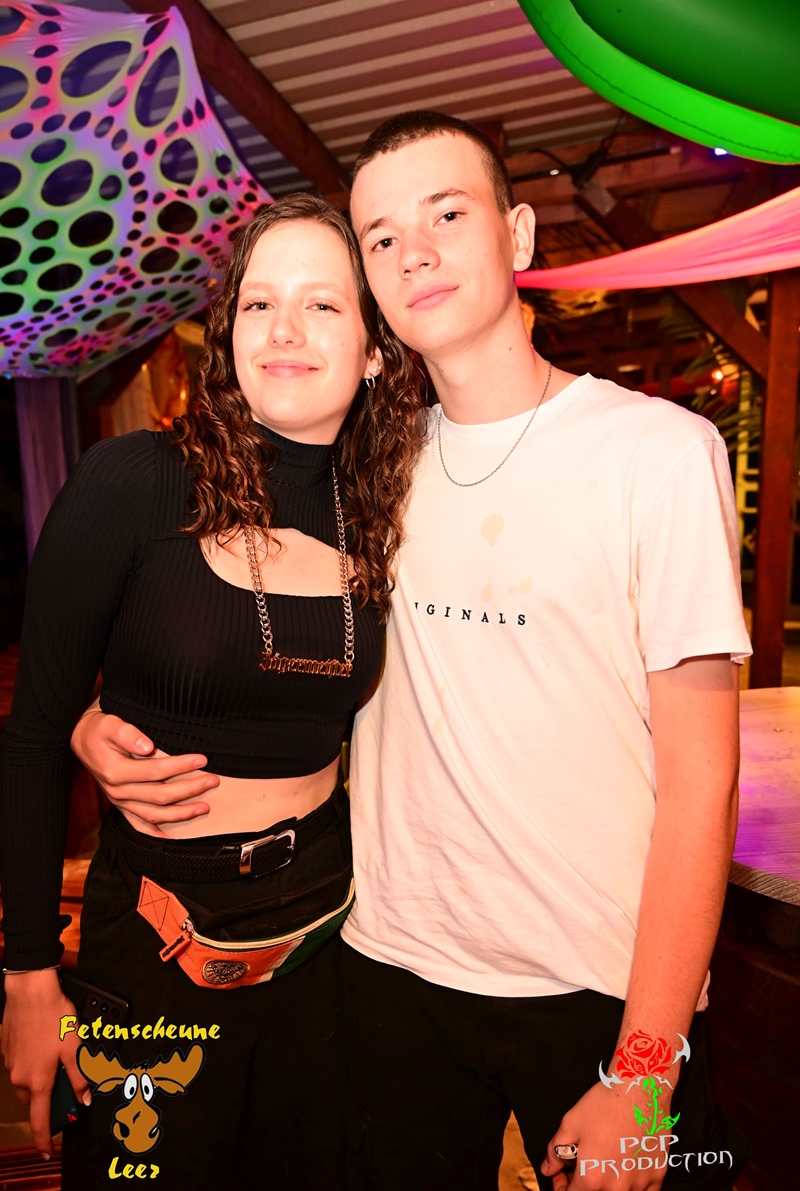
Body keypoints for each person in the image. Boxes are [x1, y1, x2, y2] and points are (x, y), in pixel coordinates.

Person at [69, 113, 752, 1191]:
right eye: (381, 237)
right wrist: (89, 721)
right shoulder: (362, 470)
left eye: (446, 214)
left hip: (600, 984)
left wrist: (646, 1064)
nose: (414, 252)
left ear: (517, 234)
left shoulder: (658, 454)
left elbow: (703, 782)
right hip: (387, 968)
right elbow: (234, 640)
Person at [0, 193, 424, 1190]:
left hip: (330, 930)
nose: (283, 329)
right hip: (158, 934)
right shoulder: (133, 482)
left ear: (373, 348)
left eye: (322, 304)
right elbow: (31, 737)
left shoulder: (395, 507)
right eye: (258, 303)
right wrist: (27, 976)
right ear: (227, 332)